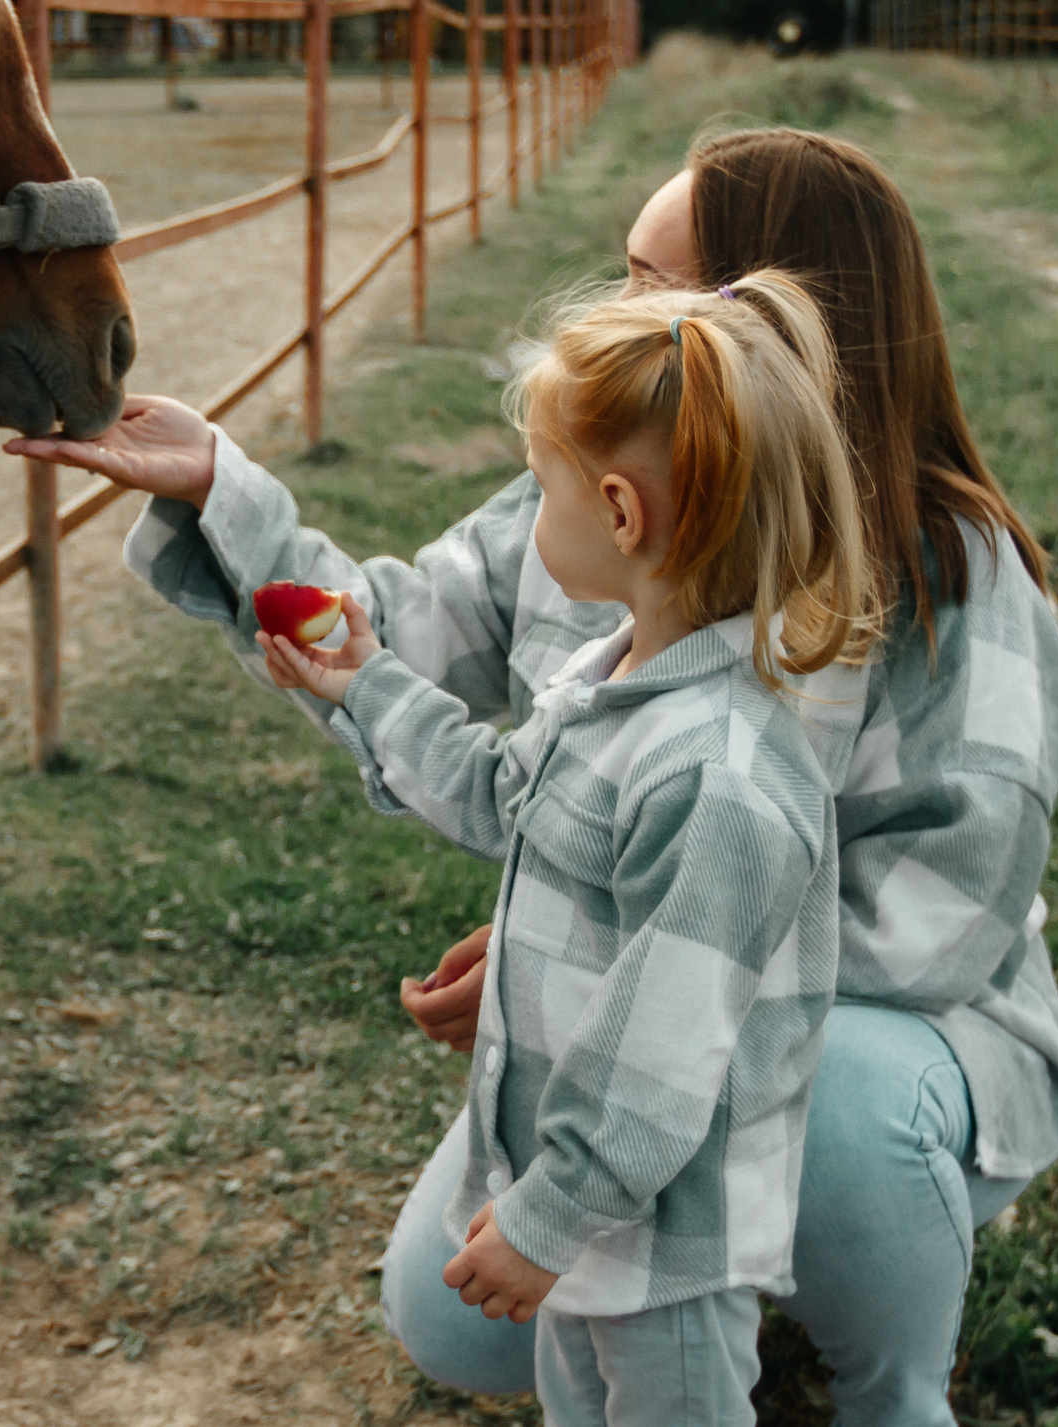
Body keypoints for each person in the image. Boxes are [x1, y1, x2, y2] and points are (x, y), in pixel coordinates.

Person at [7, 126, 1058, 1425]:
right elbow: (390, 636)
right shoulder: (612, 492)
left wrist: (604, 952)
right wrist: (221, 491)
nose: (610, 314)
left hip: (883, 1036)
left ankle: (882, 1366)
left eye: (651, 284)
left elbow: (938, 930)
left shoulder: (958, 581)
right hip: (654, 1022)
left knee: (849, 1109)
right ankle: (718, 1275)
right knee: (445, 1312)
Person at [244, 275, 876, 1424]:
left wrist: (545, 1218)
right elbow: (501, 794)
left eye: (543, 490)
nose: (531, 518)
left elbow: (664, 1049)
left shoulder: (720, 778)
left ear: (621, 515)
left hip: (658, 1244)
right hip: (583, 1215)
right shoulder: (615, 682)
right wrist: (369, 686)